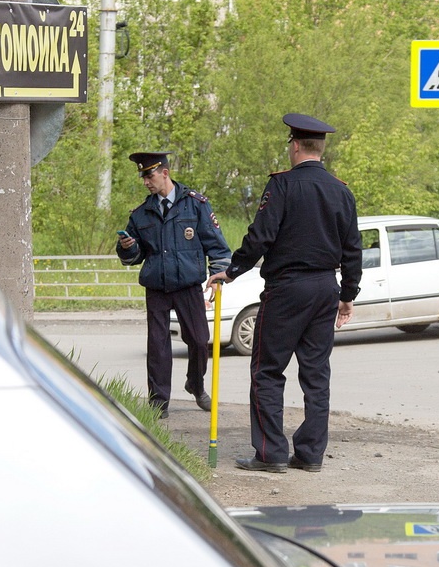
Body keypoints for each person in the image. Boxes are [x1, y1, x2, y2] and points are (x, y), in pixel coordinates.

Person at [206, 113, 362, 474]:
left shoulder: (283, 186)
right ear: (320, 149)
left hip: (287, 288)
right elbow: (353, 249)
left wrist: (231, 270)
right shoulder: (341, 190)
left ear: (294, 146)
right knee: (316, 374)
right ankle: (310, 455)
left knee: (267, 370)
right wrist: (347, 294)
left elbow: (261, 236)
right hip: (326, 287)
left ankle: (271, 453)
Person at [116, 151, 231, 419]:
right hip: (156, 286)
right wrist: (127, 248)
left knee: (200, 341)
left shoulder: (195, 205)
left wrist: (217, 277)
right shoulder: (141, 214)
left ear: (164, 173)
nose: (146, 181)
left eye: (150, 175)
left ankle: (195, 384)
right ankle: (159, 402)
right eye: (143, 176)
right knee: (158, 346)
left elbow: (216, 244)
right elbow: (133, 256)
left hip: (188, 285)